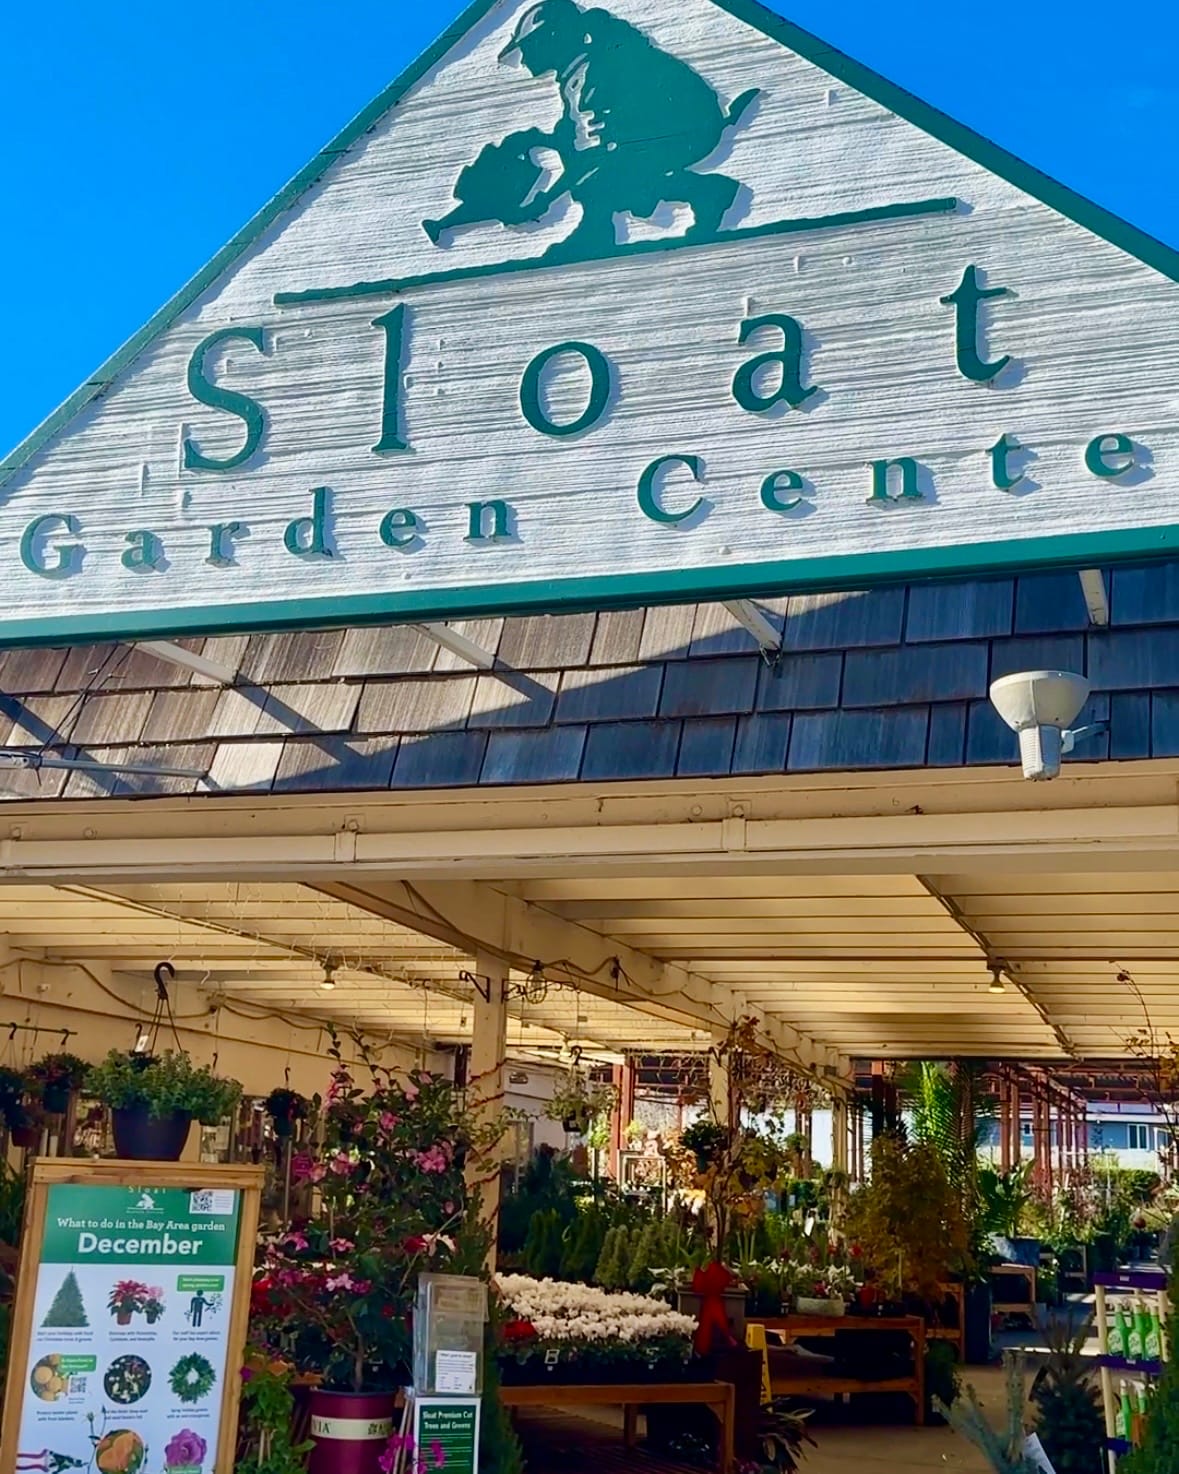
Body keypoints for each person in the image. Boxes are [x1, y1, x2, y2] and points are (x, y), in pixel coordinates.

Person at [427, 0, 758, 258]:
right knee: (597, 166)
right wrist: (540, 142)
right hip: (673, 130)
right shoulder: (581, 70)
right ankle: (606, 223)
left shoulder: (592, 73)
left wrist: (546, 198)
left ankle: (705, 193)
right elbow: (578, 134)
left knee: (602, 178)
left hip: (684, 133)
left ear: (552, 39)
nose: (523, 58)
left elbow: (597, 150)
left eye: (527, 47)